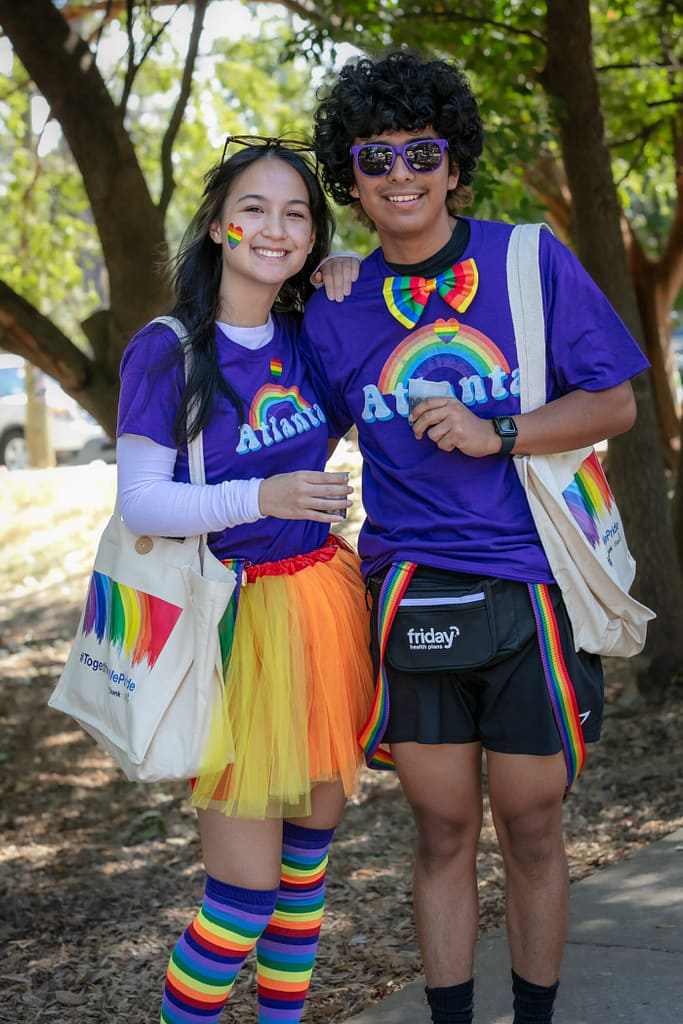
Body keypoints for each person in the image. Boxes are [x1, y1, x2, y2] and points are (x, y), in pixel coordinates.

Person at [299, 51, 650, 1024]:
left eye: (421, 150)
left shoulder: (526, 260)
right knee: (442, 829)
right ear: (353, 176)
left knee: (532, 828)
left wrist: (498, 429)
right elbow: (292, 423)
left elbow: (613, 400)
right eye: (376, 156)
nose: (400, 172)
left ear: (453, 164)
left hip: (530, 589)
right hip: (412, 599)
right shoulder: (334, 308)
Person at [115, 137, 373, 1024]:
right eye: (255, 208)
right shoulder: (168, 349)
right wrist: (255, 494)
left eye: (296, 213)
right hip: (231, 625)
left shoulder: (311, 337)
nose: (275, 226)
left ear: (311, 236)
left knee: (305, 871)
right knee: (242, 897)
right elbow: (143, 504)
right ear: (220, 224)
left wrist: (353, 274)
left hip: (323, 610)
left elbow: (388, 359)